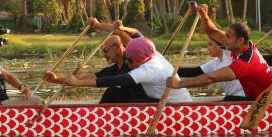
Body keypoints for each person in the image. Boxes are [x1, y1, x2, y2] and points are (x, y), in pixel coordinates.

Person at [165, 5, 272, 101]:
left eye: (228, 37)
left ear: (240, 40)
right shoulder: (242, 45)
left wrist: (180, 84)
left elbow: (211, 77)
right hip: (255, 99)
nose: (223, 40)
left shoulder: (246, 63)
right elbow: (211, 31)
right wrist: (204, 15)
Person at [48, 36, 191, 103]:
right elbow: (92, 78)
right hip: (156, 101)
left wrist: (78, 84)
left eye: (130, 60)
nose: (128, 64)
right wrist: (56, 80)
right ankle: (99, 118)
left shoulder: (149, 69)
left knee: (114, 89)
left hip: (174, 107)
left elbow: (115, 80)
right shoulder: (151, 54)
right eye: (127, 59)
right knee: (115, 92)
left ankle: (99, 121)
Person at [86, 18, 151, 103]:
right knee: (112, 92)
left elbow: (121, 32)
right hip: (132, 101)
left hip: (148, 102)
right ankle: (98, 114)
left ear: (117, 47)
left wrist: (97, 25)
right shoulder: (114, 69)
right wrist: (68, 80)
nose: (104, 55)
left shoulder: (136, 55)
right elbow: (89, 77)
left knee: (113, 90)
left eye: (106, 50)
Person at [174, 37, 246, 99]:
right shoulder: (215, 63)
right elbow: (194, 72)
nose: (208, 48)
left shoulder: (230, 54)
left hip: (244, 97)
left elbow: (214, 31)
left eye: (210, 44)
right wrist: (171, 70)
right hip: (232, 97)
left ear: (220, 45)